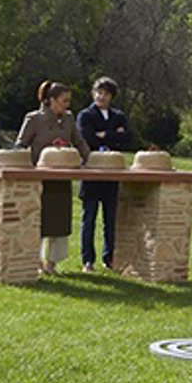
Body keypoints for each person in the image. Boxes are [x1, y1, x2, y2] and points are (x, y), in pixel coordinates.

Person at [17, 80, 90, 275]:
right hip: (39, 178)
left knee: (60, 221)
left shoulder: (69, 118)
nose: (67, 105)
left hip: (63, 177)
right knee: (39, 219)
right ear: (51, 100)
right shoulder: (34, 119)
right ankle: (36, 261)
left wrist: (90, 160)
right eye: (64, 101)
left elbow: (79, 141)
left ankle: (52, 262)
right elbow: (21, 144)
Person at [76, 76, 134, 274]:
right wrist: (113, 135)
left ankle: (110, 259)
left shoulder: (118, 116)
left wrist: (105, 134)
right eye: (99, 92)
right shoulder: (85, 115)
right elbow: (87, 138)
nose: (101, 97)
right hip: (92, 172)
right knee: (89, 219)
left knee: (110, 219)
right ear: (93, 93)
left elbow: (127, 138)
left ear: (111, 97)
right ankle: (87, 261)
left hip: (112, 174)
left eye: (106, 94)